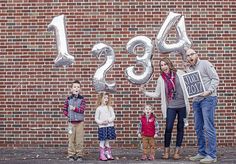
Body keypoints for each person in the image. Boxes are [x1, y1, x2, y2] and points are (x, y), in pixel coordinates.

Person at [141, 57, 190, 160]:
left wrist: (188, 68)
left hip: (183, 106)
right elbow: (157, 93)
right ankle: (166, 151)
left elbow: (190, 79)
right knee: (168, 128)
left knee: (180, 128)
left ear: (169, 64)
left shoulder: (180, 73)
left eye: (165, 64)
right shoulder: (161, 79)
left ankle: (177, 151)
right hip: (171, 106)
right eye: (161, 65)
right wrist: (145, 92)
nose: (163, 67)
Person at [186, 48, 219, 163]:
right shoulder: (189, 69)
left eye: (191, 54)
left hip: (208, 99)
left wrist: (209, 91)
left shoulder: (205, 64)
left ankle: (212, 155)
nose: (190, 57)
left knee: (208, 127)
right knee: (198, 127)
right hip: (197, 101)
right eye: (188, 56)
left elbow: (215, 79)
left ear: (196, 55)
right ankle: (202, 152)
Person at [63, 80, 86, 161]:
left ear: (80, 89)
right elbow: (64, 109)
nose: (76, 88)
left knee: (79, 139)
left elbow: (82, 110)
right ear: (71, 89)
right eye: (74, 87)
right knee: (71, 139)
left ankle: (79, 154)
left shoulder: (82, 99)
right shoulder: (68, 99)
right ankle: (71, 154)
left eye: (78, 87)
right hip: (71, 123)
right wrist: (67, 115)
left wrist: (74, 108)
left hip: (80, 123)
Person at [95, 92, 116, 161]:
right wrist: (101, 122)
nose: (106, 99)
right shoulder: (99, 108)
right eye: (104, 98)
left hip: (109, 126)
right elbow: (96, 118)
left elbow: (113, 116)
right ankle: (102, 154)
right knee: (102, 140)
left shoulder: (110, 108)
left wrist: (109, 120)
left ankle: (108, 154)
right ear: (101, 99)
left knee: (107, 141)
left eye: (107, 98)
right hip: (102, 127)